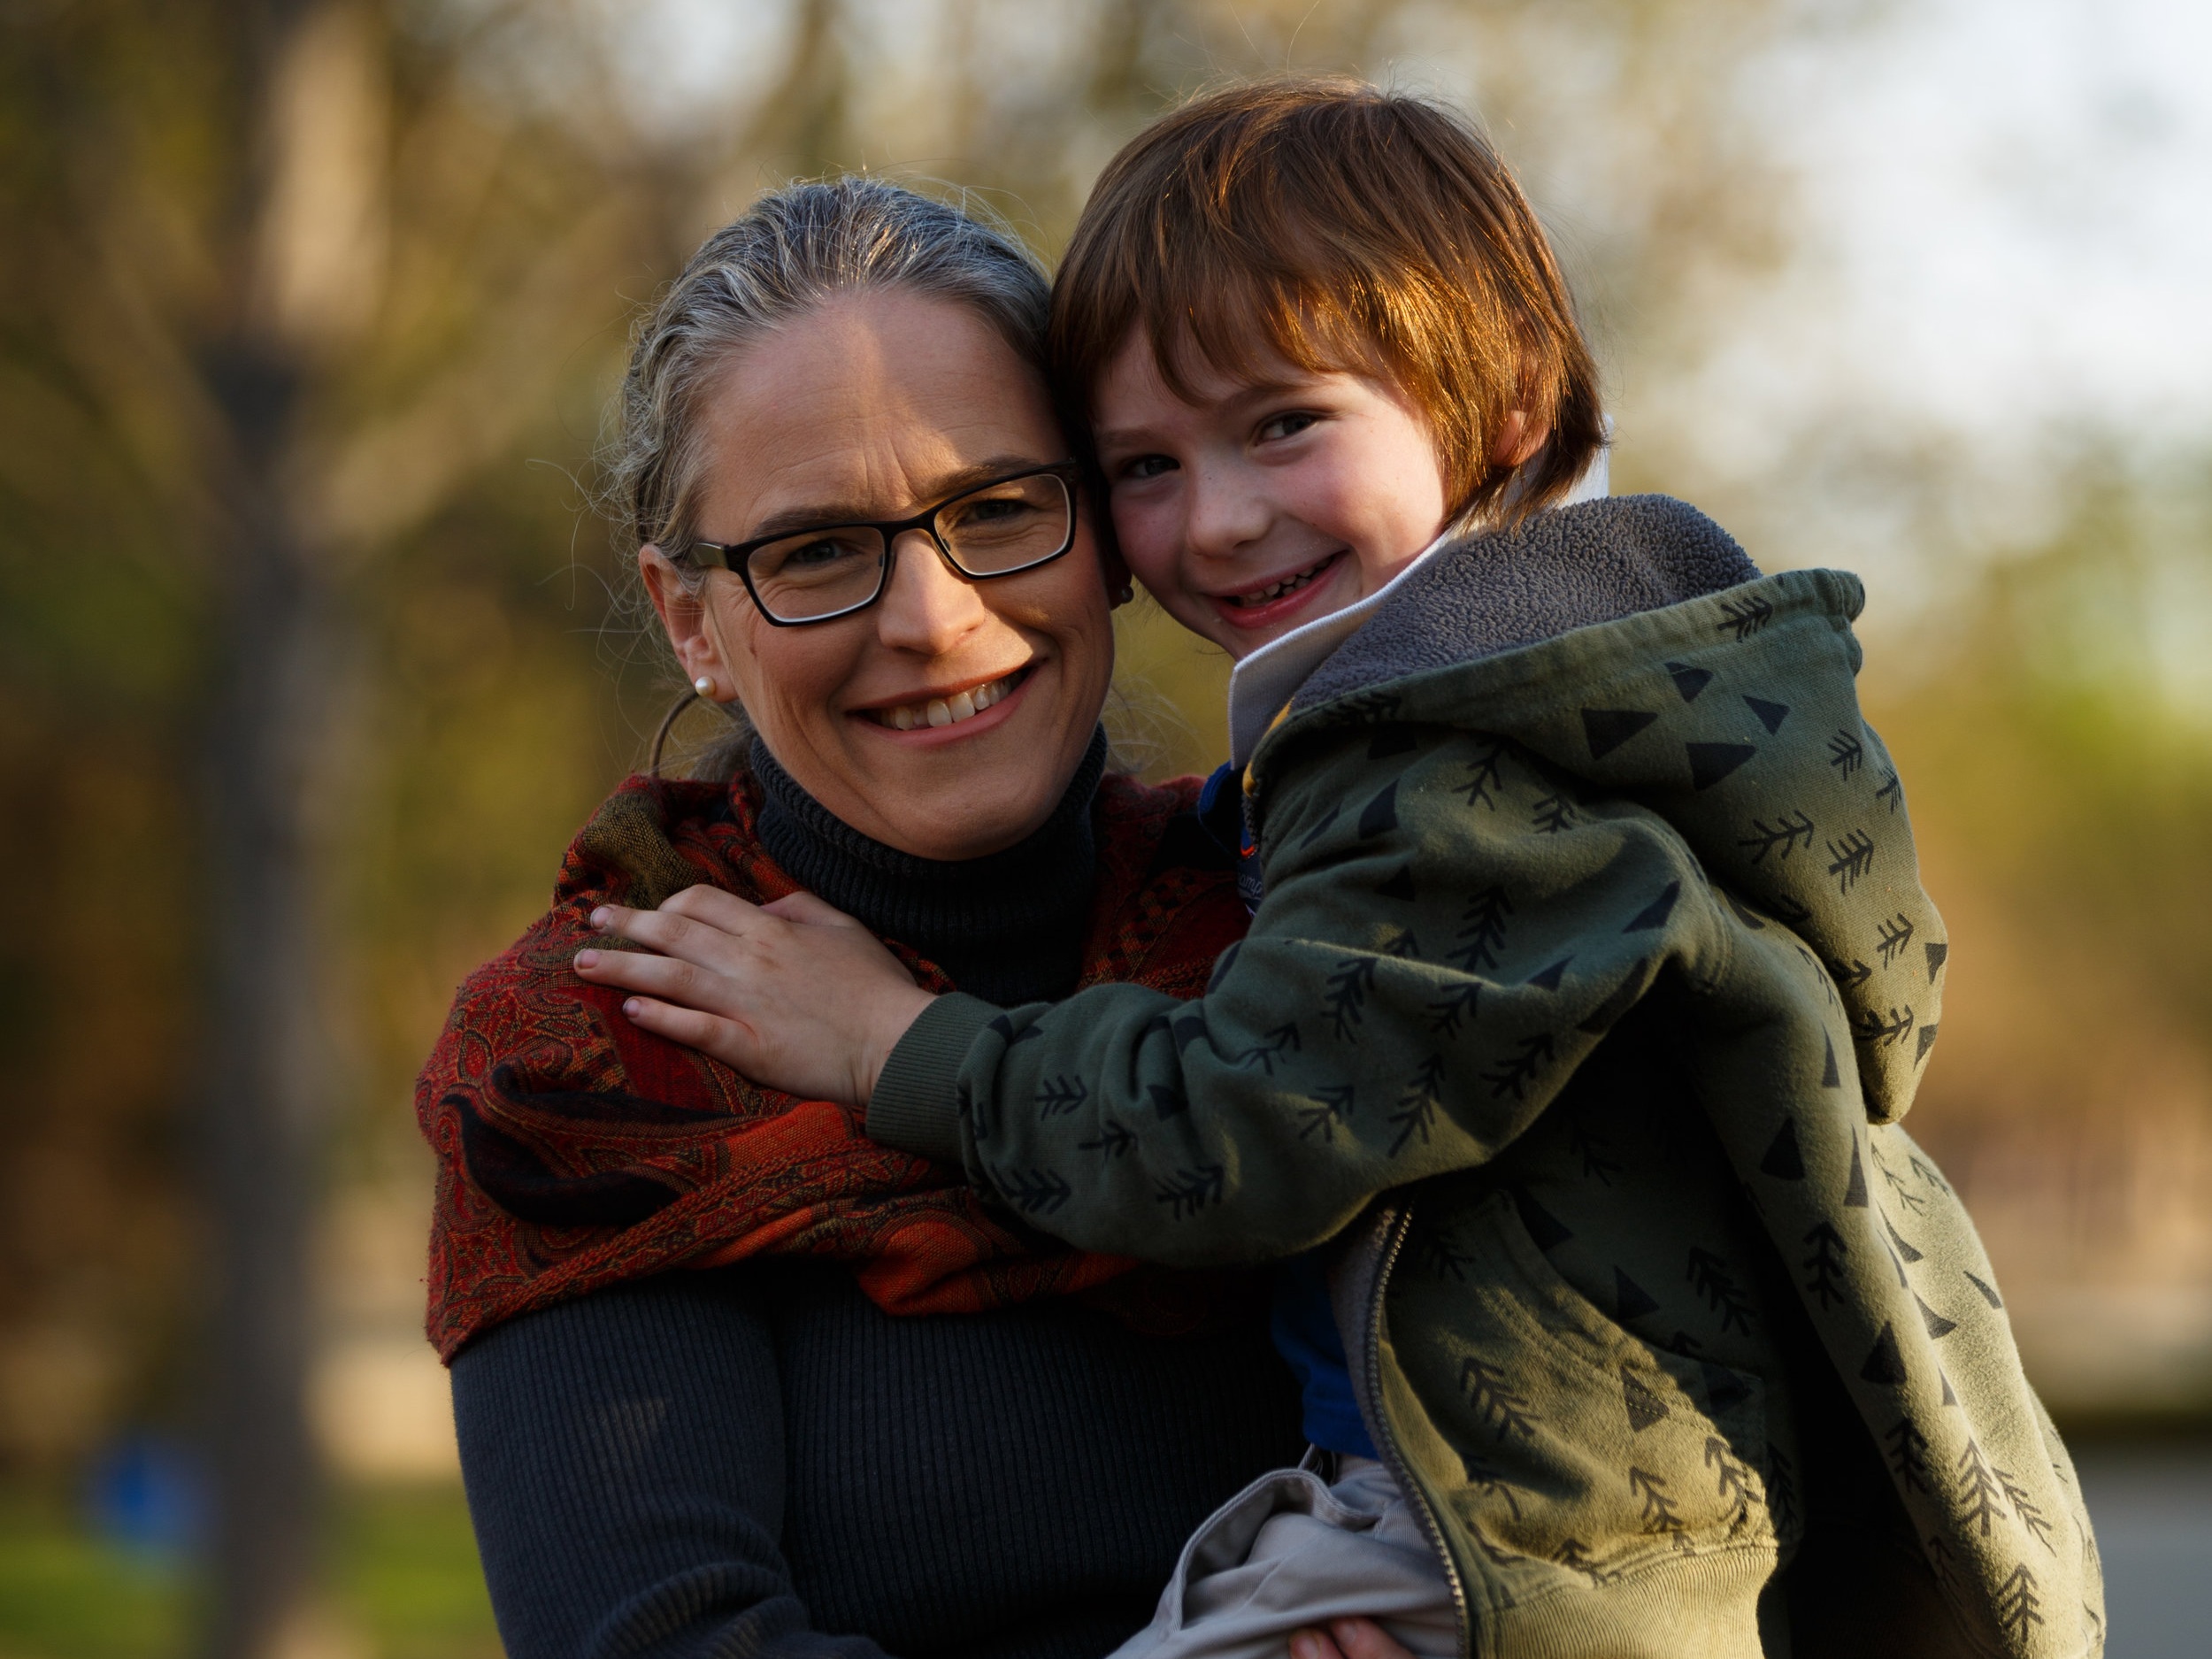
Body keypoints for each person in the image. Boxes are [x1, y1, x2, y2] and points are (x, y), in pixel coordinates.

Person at [576, 81, 2104, 1659]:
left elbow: (1247, 1116)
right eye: (1144, 468)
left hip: (1510, 1558)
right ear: (687, 609)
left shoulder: (1461, 791)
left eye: (1283, 425)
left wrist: (900, 1048)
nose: (1219, 520)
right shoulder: (597, 1053)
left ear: (1504, 411)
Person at [420, 174, 1439, 1659]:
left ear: (1110, 523)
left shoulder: (1318, 937)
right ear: (692, 616)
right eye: (817, 549)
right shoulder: (592, 1057)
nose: (933, 617)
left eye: (1001, 507)